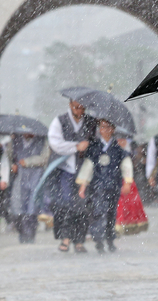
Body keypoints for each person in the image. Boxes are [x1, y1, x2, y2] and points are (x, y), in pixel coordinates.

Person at [76, 119, 133, 253]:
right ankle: (99, 240)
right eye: (103, 127)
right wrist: (83, 185)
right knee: (98, 212)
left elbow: (126, 164)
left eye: (108, 127)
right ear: (99, 129)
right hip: (97, 186)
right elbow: (88, 166)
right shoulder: (94, 147)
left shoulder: (118, 148)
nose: (105, 130)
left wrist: (128, 181)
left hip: (113, 185)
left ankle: (109, 239)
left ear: (113, 129)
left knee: (110, 214)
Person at [48, 99, 96, 253]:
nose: (80, 110)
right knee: (65, 205)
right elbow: (55, 143)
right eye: (76, 107)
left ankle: (79, 240)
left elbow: (95, 144)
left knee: (82, 205)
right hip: (64, 170)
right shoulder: (59, 121)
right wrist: (75, 146)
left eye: (82, 107)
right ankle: (65, 237)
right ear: (70, 105)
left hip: (84, 170)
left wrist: (88, 146)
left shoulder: (90, 122)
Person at [4, 133, 49, 243]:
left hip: (36, 176)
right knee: (17, 206)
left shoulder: (43, 140)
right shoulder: (14, 140)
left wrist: (28, 162)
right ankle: (22, 232)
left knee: (32, 206)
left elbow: (44, 158)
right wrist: (12, 165)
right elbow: (9, 157)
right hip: (20, 177)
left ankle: (30, 235)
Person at [115, 137, 148, 236]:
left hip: (126, 179)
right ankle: (117, 224)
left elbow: (132, 164)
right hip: (115, 178)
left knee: (130, 203)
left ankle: (127, 224)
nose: (121, 141)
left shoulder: (130, 149)